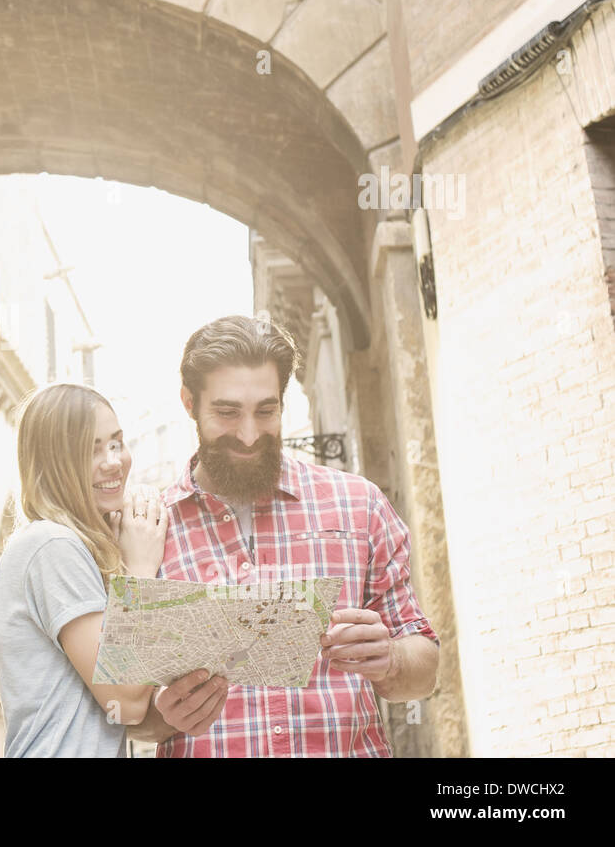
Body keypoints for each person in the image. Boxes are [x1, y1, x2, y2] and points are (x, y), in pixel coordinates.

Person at [128, 315, 441, 756]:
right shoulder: (145, 531)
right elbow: (127, 711)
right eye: (227, 412)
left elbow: (424, 670)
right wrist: (165, 716)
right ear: (188, 402)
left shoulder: (358, 505)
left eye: (266, 410)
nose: (250, 434)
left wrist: (390, 657)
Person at [0, 382, 228, 757]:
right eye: (90, 449)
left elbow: (123, 712)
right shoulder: (52, 544)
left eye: (116, 442)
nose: (113, 461)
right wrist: (140, 569)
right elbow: (125, 699)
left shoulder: (71, 547)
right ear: (52, 464)